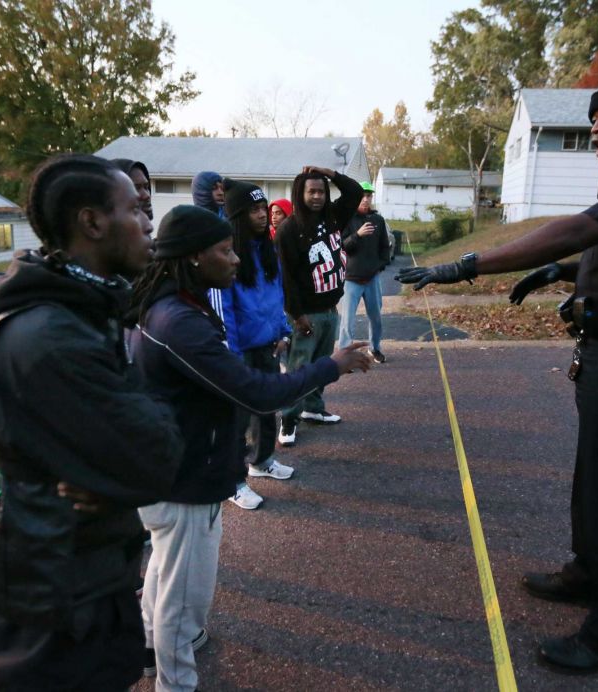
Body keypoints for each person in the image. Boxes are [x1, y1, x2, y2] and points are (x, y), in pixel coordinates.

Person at [396, 73, 598, 672]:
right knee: (593, 477)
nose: (595, 125)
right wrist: (565, 273)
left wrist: (468, 265)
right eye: (593, 115)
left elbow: (583, 228)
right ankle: (587, 572)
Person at [0, 154, 185, 690]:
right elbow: (158, 454)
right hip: (52, 601)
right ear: (92, 222)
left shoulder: (83, 308)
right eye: (136, 208)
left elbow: (136, 444)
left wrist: (111, 478)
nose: (150, 220)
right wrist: (122, 470)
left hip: (74, 573)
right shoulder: (51, 337)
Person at [129, 204, 371, 691]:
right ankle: (174, 682)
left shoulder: (177, 306)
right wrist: (332, 365)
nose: (236, 258)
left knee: (163, 573)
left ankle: (154, 647)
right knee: (183, 597)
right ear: (193, 257)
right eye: (224, 250)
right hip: (184, 482)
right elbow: (258, 393)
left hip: (179, 469)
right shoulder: (179, 320)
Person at [275, 165, 363, 446]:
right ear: (299, 193)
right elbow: (285, 278)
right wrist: (297, 315)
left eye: (321, 191)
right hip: (305, 314)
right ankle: (288, 420)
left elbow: (355, 191)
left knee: (322, 364)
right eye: (311, 191)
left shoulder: (333, 217)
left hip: (329, 309)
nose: (317, 196)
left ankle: (313, 408)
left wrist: (329, 172)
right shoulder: (289, 229)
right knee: (300, 368)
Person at [224, 179, 295, 510]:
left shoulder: (267, 249)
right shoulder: (228, 255)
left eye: (262, 208)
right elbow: (224, 310)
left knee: (267, 409)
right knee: (236, 419)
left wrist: (283, 331)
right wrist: (233, 355)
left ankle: (262, 461)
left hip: (268, 345)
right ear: (238, 215)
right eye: (253, 210)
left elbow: (277, 294)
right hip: (240, 352)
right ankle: (234, 482)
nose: (262, 215)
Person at [338, 181, 391, 363]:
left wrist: (380, 265)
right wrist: (357, 235)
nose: (365, 200)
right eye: (362, 196)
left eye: (369, 196)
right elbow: (342, 247)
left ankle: (375, 348)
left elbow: (385, 246)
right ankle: (344, 355)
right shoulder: (347, 219)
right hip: (351, 279)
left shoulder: (377, 220)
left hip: (372, 278)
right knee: (347, 321)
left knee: (376, 318)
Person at [192, 170, 238, 353]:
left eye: (221, 187)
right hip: (212, 291)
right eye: (214, 188)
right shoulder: (198, 222)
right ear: (202, 191)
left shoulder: (225, 218)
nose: (220, 192)